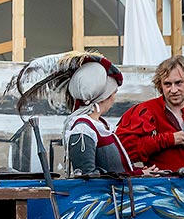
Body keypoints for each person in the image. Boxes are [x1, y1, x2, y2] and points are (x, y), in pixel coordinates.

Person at [10, 52, 150, 177]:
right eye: (113, 92)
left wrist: (139, 173)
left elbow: (115, 170)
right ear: (103, 96)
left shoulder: (101, 124)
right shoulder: (83, 128)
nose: (114, 98)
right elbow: (87, 176)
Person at [116, 55, 184, 175]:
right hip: (159, 185)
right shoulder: (145, 111)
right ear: (161, 85)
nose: (173, 90)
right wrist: (168, 139)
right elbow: (122, 151)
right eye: (167, 84)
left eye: (178, 83)